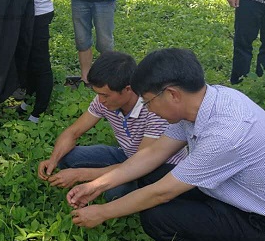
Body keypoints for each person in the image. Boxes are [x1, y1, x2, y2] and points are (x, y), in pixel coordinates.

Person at [67, 49, 265, 241]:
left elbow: (161, 193)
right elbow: (153, 154)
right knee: (152, 174)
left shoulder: (227, 132)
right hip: (235, 198)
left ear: (172, 94)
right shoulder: (202, 104)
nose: (148, 109)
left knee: (158, 218)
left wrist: (102, 212)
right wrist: (97, 185)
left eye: (148, 101)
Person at [38, 51, 186, 200]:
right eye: (98, 94)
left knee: (114, 193)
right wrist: (53, 160)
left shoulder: (154, 109)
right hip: (126, 155)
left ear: (128, 89)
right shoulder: (103, 101)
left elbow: (140, 163)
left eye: (105, 95)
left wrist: (80, 174)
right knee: (66, 157)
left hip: (155, 168)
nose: (100, 100)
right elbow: (73, 132)